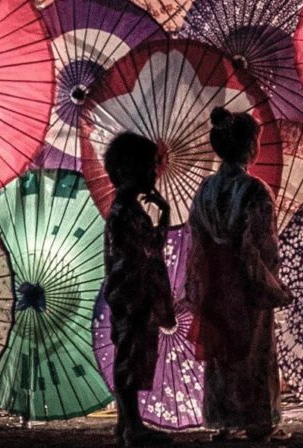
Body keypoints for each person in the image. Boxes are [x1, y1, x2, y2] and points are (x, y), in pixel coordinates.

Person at [186, 107, 293, 443]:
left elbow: (196, 238)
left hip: (213, 279)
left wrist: (197, 284)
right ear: (250, 147)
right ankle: (257, 420)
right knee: (254, 349)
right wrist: (271, 283)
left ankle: (223, 421)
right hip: (244, 279)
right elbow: (263, 246)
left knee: (221, 350)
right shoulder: (255, 190)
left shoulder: (205, 189)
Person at [103, 131, 175, 448]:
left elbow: (149, 246)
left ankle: (126, 425)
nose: (153, 174)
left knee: (129, 355)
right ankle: (131, 426)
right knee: (129, 357)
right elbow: (146, 250)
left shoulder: (126, 209)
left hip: (131, 294)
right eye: (148, 166)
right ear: (126, 170)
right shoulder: (125, 212)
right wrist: (164, 219)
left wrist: (164, 216)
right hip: (132, 295)